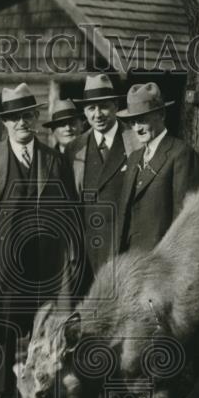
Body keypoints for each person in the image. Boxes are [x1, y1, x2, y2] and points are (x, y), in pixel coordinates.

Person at [0, 83, 81, 398]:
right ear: (5, 121)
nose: (21, 123)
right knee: (1, 328)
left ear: (35, 116)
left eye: (27, 115)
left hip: (43, 262)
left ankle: (38, 394)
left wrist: (67, 256)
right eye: (14, 117)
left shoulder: (54, 159)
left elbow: (70, 211)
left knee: (39, 330)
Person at [68, 75, 141, 281]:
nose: (97, 114)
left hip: (125, 244)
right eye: (91, 108)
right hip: (89, 248)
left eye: (103, 107)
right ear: (84, 111)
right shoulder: (75, 149)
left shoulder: (135, 142)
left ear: (116, 106)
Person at [117, 83, 199, 254]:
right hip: (130, 261)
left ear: (161, 115)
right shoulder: (134, 157)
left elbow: (186, 218)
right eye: (132, 121)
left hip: (162, 261)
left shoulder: (181, 154)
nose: (137, 128)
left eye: (142, 119)